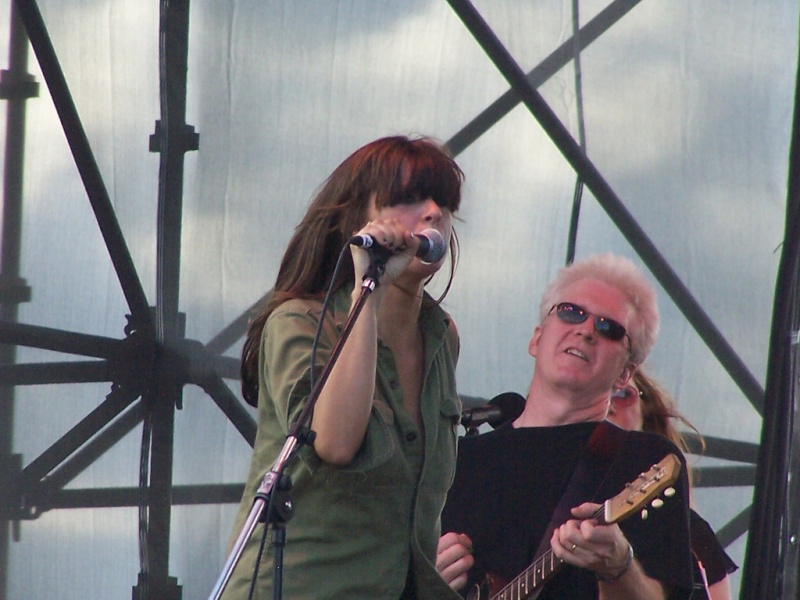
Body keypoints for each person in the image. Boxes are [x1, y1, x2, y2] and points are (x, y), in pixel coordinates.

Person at [221, 135, 466, 599]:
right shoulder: (299, 323)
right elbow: (334, 442)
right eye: (408, 199)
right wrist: (367, 288)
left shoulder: (440, 336)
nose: (433, 212)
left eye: (444, 202)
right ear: (360, 219)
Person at [438, 253, 695, 599]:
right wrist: (429, 579)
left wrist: (619, 567)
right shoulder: (457, 459)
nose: (587, 330)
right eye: (571, 311)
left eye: (609, 328)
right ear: (536, 339)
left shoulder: (644, 460)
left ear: (624, 375)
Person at [608, 370, 738, 600]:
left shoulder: (689, 530)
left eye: (621, 394)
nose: (607, 404)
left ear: (644, 413)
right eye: (595, 393)